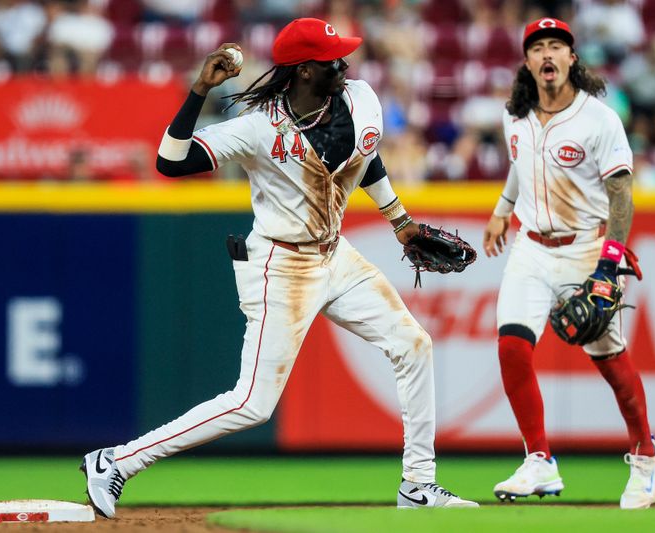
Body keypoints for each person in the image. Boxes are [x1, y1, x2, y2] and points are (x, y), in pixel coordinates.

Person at [79, 17, 479, 518]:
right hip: (281, 265)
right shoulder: (257, 127)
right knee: (252, 404)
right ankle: (116, 460)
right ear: (306, 70)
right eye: (333, 58)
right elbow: (170, 162)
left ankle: (419, 484)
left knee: (414, 345)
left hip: (336, 255)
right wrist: (200, 90)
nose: (345, 64)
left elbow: (367, 155)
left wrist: (398, 220)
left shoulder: (361, 98)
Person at [482, 17, 655, 510]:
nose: (547, 54)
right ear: (527, 61)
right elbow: (521, 168)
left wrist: (609, 263)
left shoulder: (598, 119)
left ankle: (646, 453)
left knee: (608, 359)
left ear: (571, 59)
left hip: (586, 246)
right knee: (512, 347)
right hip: (531, 246)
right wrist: (502, 210)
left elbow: (621, 193)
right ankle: (539, 460)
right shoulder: (515, 115)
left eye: (556, 47)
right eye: (538, 47)